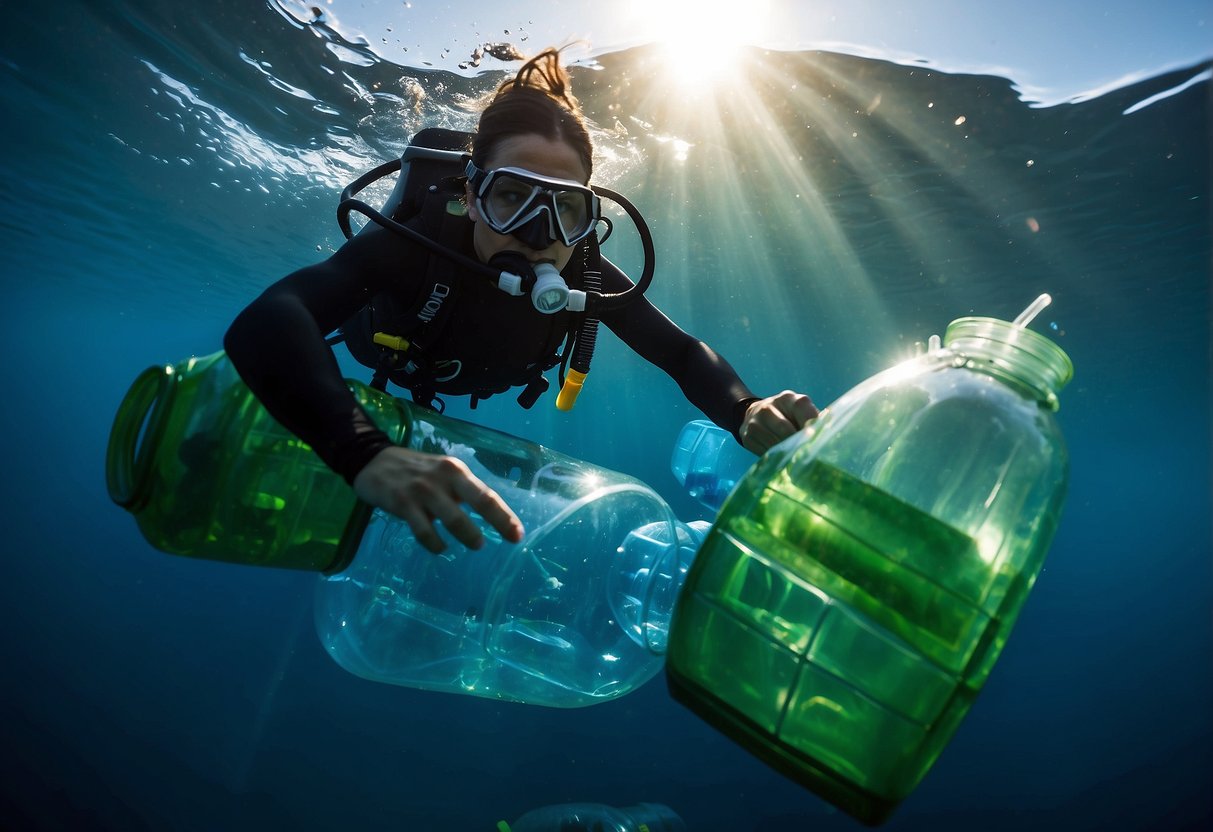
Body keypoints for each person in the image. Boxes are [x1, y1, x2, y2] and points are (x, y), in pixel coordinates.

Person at [225, 48, 817, 555]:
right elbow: (270, 321)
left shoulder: (585, 272)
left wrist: (745, 411)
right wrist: (363, 451)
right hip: (384, 350)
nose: (540, 235)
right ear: (471, 195)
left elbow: (682, 353)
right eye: (512, 197)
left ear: (590, 215)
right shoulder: (414, 247)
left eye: (565, 209)